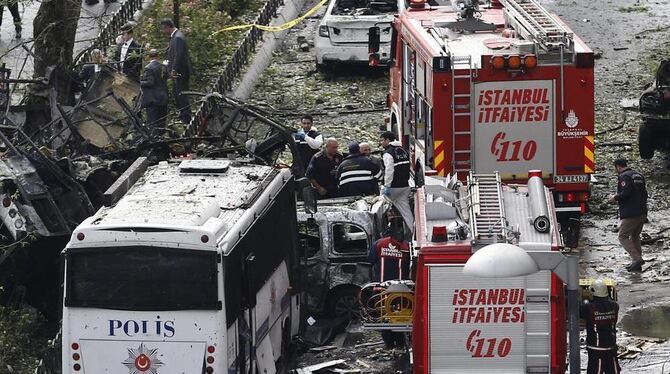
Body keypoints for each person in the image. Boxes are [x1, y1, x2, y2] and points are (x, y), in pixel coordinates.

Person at [607, 158, 648, 272]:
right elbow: (645, 194)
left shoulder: (624, 176)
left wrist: (614, 198)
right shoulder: (638, 175)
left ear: (618, 167)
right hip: (642, 212)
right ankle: (636, 263)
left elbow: (626, 193)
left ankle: (637, 258)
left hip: (631, 213)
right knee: (635, 236)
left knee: (623, 236)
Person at [580, 279, 620, 374]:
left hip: (596, 349)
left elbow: (578, 311)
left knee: (596, 371)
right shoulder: (615, 306)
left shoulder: (588, 307)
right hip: (611, 347)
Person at [161, 18, 193, 124]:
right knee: (177, 94)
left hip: (181, 72)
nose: (163, 32)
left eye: (164, 29)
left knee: (181, 94)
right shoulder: (176, 36)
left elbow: (178, 56)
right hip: (179, 72)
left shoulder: (178, 38)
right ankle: (183, 115)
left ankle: (186, 117)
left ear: (168, 27)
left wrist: (174, 70)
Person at [380, 131, 414, 232]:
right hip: (404, 186)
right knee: (406, 211)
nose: (381, 143)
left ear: (387, 140)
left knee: (382, 206)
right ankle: (413, 231)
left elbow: (389, 171)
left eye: (382, 140)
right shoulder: (403, 150)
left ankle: (386, 231)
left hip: (393, 187)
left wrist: (386, 187)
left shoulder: (388, 153)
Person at [140, 49, 169, 136]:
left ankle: (154, 139)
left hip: (153, 99)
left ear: (149, 57)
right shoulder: (163, 67)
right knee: (162, 121)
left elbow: (150, 82)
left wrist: (140, 82)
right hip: (163, 97)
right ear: (158, 56)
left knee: (152, 122)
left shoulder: (148, 68)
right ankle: (162, 138)